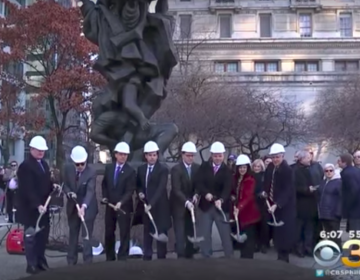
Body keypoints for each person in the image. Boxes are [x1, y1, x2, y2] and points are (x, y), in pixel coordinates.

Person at [16, 136, 54, 274]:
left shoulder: (44, 164)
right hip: (31, 210)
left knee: (42, 237)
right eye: (38, 150)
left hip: (44, 208)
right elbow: (28, 189)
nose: (41, 152)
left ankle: (41, 261)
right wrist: (37, 204)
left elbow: (46, 183)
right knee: (31, 238)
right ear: (31, 149)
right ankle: (31, 264)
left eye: (43, 150)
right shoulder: (25, 166)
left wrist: (53, 186)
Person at [195, 141, 233, 258]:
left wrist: (221, 200)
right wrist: (205, 193)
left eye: (220, 155)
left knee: (225, 234)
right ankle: (207, 258)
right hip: (205, 207)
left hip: (221, 207)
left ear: (223, 155)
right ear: (211, 155)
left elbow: (228, 188)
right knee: (205, 234)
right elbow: (199, 182)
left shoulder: (227, 171)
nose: (218, 158)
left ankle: (229, 259)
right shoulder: (204, 167)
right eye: (215, 155)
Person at [136, 141, 171, 261]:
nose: (152, 157)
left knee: (161, 231)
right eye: (150, 155)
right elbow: (139, 185)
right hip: (146, 206)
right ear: (145, 156)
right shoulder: (141, 169)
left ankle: (162, 257)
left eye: (154, 155)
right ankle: (147, 256)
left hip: (160, 207)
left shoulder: (163, 169)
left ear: (157, 155)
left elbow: (161, 189)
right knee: (148, 232)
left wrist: (151, 204)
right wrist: (140, 193)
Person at [63, 146, 98, 265]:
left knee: (86, 235)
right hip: (73, 207)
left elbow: (90, 190)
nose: (80, 167)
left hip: (87, 208)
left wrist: (84, 206)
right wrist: (69, 193)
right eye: (77, 164)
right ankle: (71, 261)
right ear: (73, 162)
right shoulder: (67, 169)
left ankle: (87, 261)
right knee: (73, 234)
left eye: (82, 164)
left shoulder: (91, 172)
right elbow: (65, 185)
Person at [101, 142, 136, 261]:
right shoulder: (109, 168)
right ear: (115, 154)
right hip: (110, 206)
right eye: (121, 154)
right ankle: (110, 257)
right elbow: (104, 184)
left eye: (125, 155)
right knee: (109, 231)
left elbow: (130, 190)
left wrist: (121, 202)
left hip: (124, 207)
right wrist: (105, 197)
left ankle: (122, 257)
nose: (123, 157)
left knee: (124, 233)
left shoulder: (130, 171)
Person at [262, 143, 296, 263]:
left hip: (284, 207)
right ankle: (279, 257)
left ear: (283, 156)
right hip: (271, 206)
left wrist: (277, 204)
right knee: (276, 234)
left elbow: (288, 190)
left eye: (278, 157)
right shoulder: (270, 168)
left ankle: (284, 259)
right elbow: (266, 183)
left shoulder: (288, 170)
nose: (275, 159)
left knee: (284, 234)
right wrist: (264, 193)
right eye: (274, 157)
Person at [170, 141, 200, 259]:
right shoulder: (176, 169)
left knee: (190, 231)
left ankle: (190, 255)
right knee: (180, 233)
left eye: (192, 155)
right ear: (182, 155)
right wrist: (186, 202)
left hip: (192, 205)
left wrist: (196, 195)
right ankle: (180, 256)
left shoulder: (197, 168)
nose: (190, 158)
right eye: (188, 155)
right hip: (179, 206)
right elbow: (176, 189)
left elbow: (198, 185)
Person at [232, 155, 260, 259]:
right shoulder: (236, 178)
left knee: (249, 239)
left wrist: (239, 207)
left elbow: (248, 196)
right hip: (240, 213)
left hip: (249, 214)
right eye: (240, 167)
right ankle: (243, 258)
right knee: (242, 238)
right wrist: (232, 197)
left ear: (247, 167)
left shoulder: (250, 179)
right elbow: (235, 192)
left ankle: (248, 260)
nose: (242, 169)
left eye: (244, 167)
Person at [293, 150, 317, 257]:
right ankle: (299, 249)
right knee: (299, 229)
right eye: (307, 158)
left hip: (310, 204)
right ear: (301, 159)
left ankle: (308, 248)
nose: (309, 160)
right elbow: (294, 188)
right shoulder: (295, 170)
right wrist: (307, 189)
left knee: (309, 228)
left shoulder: (309, 169)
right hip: (300, 204)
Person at [317, 163, 342, 248]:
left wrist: (338, 212)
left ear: (334, 171)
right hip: (323, 213)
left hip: (333, 213)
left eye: (330, 170)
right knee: (328, 233)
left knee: (335, 233)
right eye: (326, 171)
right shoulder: (323, 183)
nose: (328, 172)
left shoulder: (338, 182)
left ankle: (338, 249)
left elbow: (341, 198)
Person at [338, 153, 360, 232]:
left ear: (345, 162)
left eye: (339, 161)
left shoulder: (347, 173)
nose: (338, 162)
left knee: (355, 231)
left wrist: (347, 205)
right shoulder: (356, 171)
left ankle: (355, 244)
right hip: (357, 206)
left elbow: (353, 190)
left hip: (354, 208)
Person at [251, 159, 268, 253]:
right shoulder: (250, 176)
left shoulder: (264, 176)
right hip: (253, 203)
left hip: (263, 203)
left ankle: (263, 245)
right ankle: (256, 244)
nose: (257, 168)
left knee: (263, 225)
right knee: (254, 225)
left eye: (259, 166)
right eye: (255, 166)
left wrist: (264, 193)